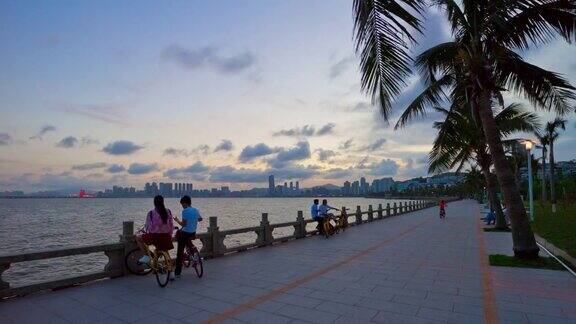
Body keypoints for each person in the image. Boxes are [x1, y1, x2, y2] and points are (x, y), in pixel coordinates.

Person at [137, 195, 174, 264]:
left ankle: (146, 256)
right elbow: (171, 225)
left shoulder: (151, 213)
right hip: (166, 237)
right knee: (163, 249)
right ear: (163, 202)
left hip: (155, 237)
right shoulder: (168, 211)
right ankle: (166, 266)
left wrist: (145, 231)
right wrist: (170, 235)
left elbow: (148, 226)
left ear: (154, 203)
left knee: (138, 238)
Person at [173, 195, 202, 279]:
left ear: (185, 203)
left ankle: (177, 272)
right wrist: (193, 219)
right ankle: (192, 252)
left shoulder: (185, 211)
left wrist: (176, 220)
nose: (182, 206)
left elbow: (183, 224)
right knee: (185, 238)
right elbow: (200, 219)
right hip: (193, 232)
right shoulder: (196, 210)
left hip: (185, 233)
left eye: (182, 204)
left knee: (179, 252)